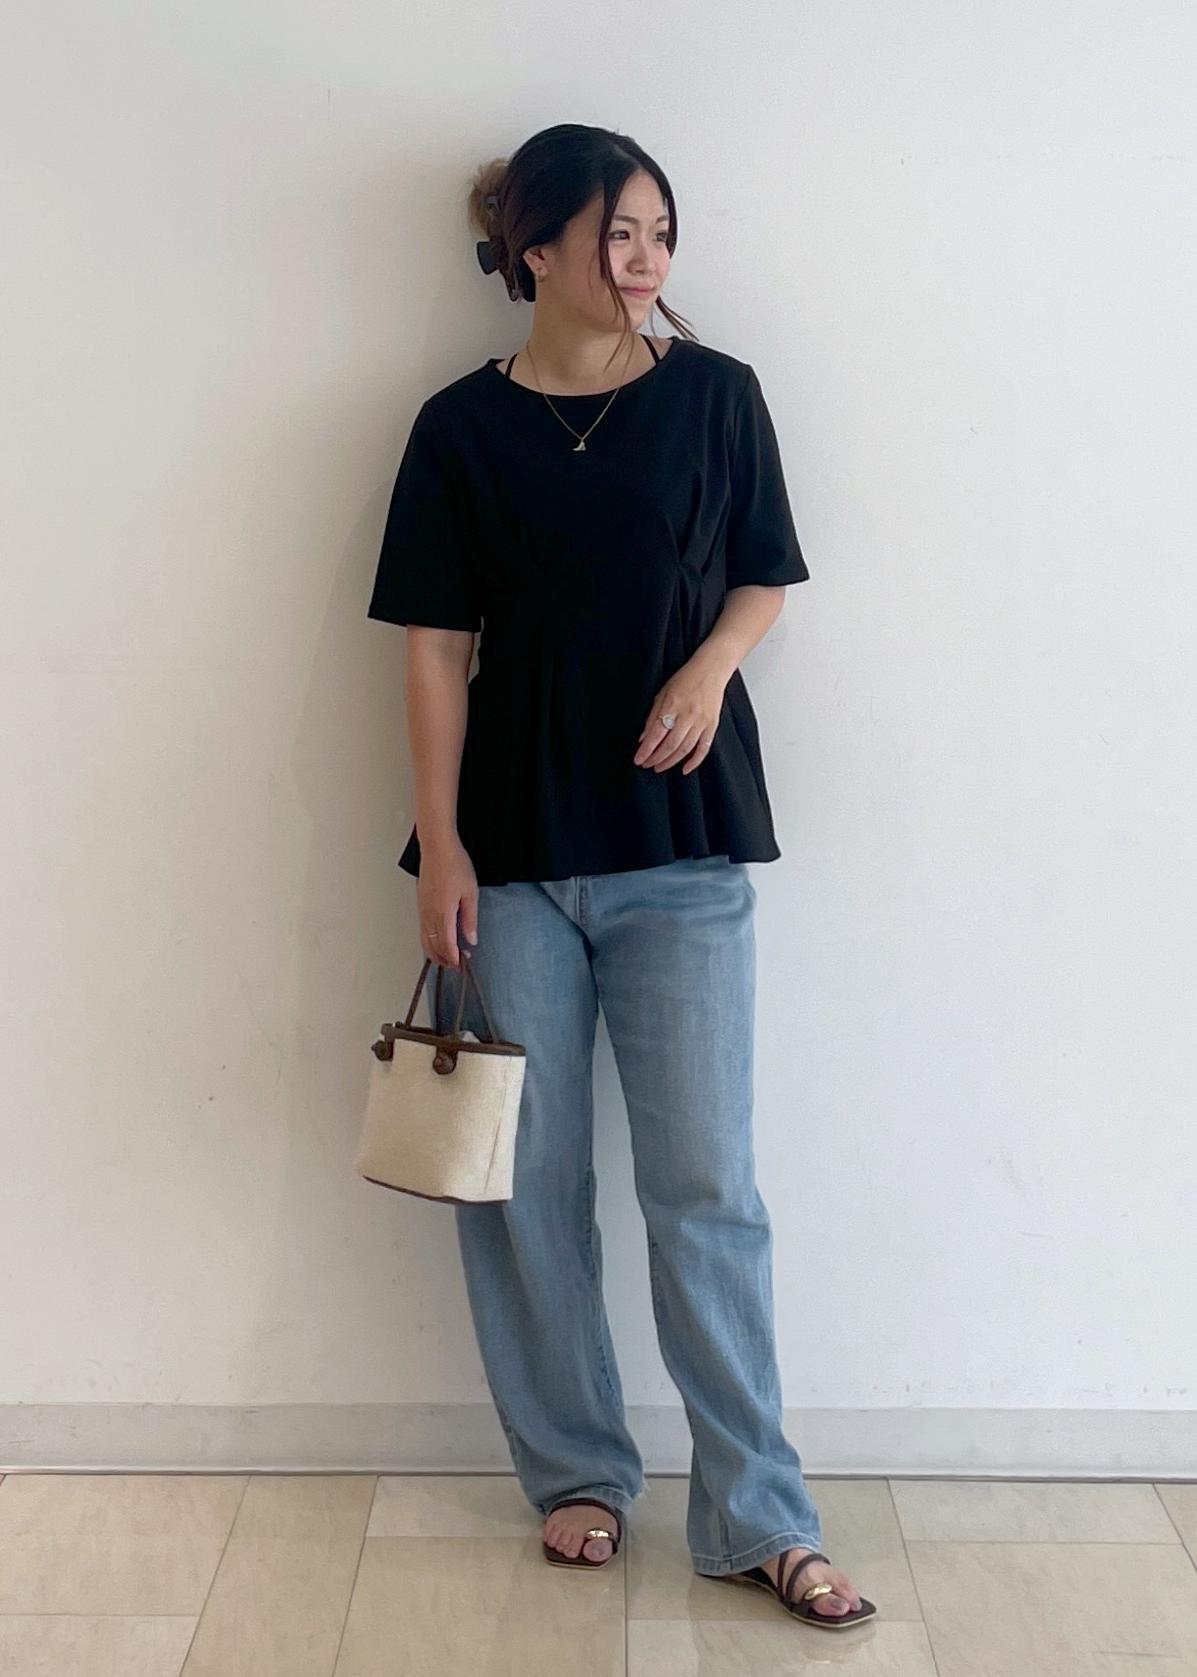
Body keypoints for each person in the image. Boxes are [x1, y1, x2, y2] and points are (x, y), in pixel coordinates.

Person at [366, 122, 876, 1631]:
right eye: (615, 232)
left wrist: (711, 668)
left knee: (705, 1187)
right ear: (532, 247)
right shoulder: (458, 428)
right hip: (512, 859)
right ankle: (577, 1473)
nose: (643, 258)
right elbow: (434, 650)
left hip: (680, 846)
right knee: (525, 1189)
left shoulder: (715, 396)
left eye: (659, 230)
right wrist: (441, 841)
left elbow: (763, 572)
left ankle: (758, 1514)